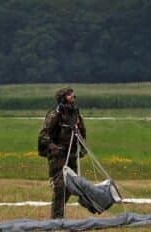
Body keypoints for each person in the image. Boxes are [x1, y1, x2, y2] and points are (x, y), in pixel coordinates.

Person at [37, 87, 86, 219]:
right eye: (70, 95)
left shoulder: (75, 114)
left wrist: (82, 148)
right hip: (58, 156)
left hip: (72, 155)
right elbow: (43, 135)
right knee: (60, 187)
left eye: (73, 96)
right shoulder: (55, 115)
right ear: (63, 98)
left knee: (72, 186)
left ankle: (58, 213)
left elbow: (81, 132)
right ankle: (57, 219)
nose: (73, 97)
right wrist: (54, 147)